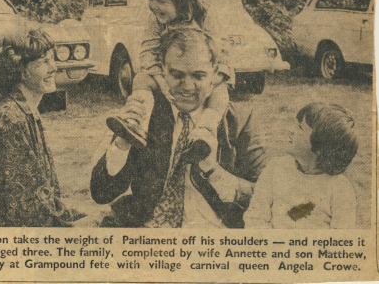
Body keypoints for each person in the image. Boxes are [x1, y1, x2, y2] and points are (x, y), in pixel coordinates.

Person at [91, 26, 266, 228]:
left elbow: (263, 195)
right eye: (177, 75)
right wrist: (122, 143)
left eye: (199, 76)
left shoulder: (239, 120)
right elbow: (101, 193)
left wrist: (214, 172)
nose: (187, 86)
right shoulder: (147, 113)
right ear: (162, 71)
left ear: (215, 75)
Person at [107, 0, 233, 155]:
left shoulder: (206, 19)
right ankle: (137, 122)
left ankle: (206, 129)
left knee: (220, 91)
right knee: (140, 78)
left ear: (185, 0)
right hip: (167, 75)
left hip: (202, 77)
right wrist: (161, 81)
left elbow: (223, 56)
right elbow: (148, 52)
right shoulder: (156, 21)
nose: (152, 6)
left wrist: (211, 82)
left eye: (161, 0)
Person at [0, 29, 84, 227]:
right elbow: (27, 207)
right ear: (21, 72)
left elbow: (42, 195)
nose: (53, 68)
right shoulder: (9, 119)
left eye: (52, 59)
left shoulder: (24, 111)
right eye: (43, 62)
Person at [244, 103, 358, 229]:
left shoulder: (341, 189)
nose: (290, 130)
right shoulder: (275, 168)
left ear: (320, 145)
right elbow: (255, 218)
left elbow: (342, 240)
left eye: (300, 127)